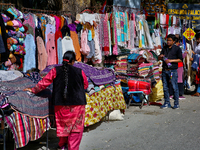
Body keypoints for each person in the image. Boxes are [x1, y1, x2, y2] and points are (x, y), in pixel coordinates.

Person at [24, 51, 88, 150]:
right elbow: (85, 85)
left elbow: (44, 83)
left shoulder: (55, 70)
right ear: (73, 61)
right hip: (78, 104)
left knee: (63, 125)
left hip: (60, 104)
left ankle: (62, 146)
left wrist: (33, 90)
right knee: (76, 128)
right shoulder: (80, 71)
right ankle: (73, 147)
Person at [158, 34, 183, 109]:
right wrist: (160, 57)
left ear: (173, 41)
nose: (168, 42)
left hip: (172, 71)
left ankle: (176, 103)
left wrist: (171, 60)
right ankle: (166, 103)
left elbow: (180, 59)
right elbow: (159, 57)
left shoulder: (177, 49)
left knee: (174, 86)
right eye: (167, 40)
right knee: (165, 87)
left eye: (170, 40)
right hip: (164, 70)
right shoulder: (164, 48)